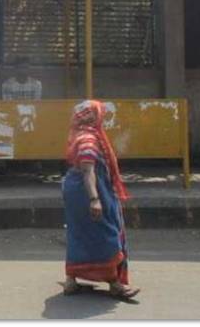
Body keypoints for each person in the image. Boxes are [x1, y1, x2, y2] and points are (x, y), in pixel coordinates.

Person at [62, 100, 140, 300]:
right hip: (90, 191)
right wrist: (95, 199)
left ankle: (71, 281)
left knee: (78, 233)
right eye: (99, 114)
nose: (102, 118)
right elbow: (88, 170)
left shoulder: (77, 134)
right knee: (106, 233)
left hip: (74, 190)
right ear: (92, 116)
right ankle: (115, 284)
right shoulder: (89, 138)